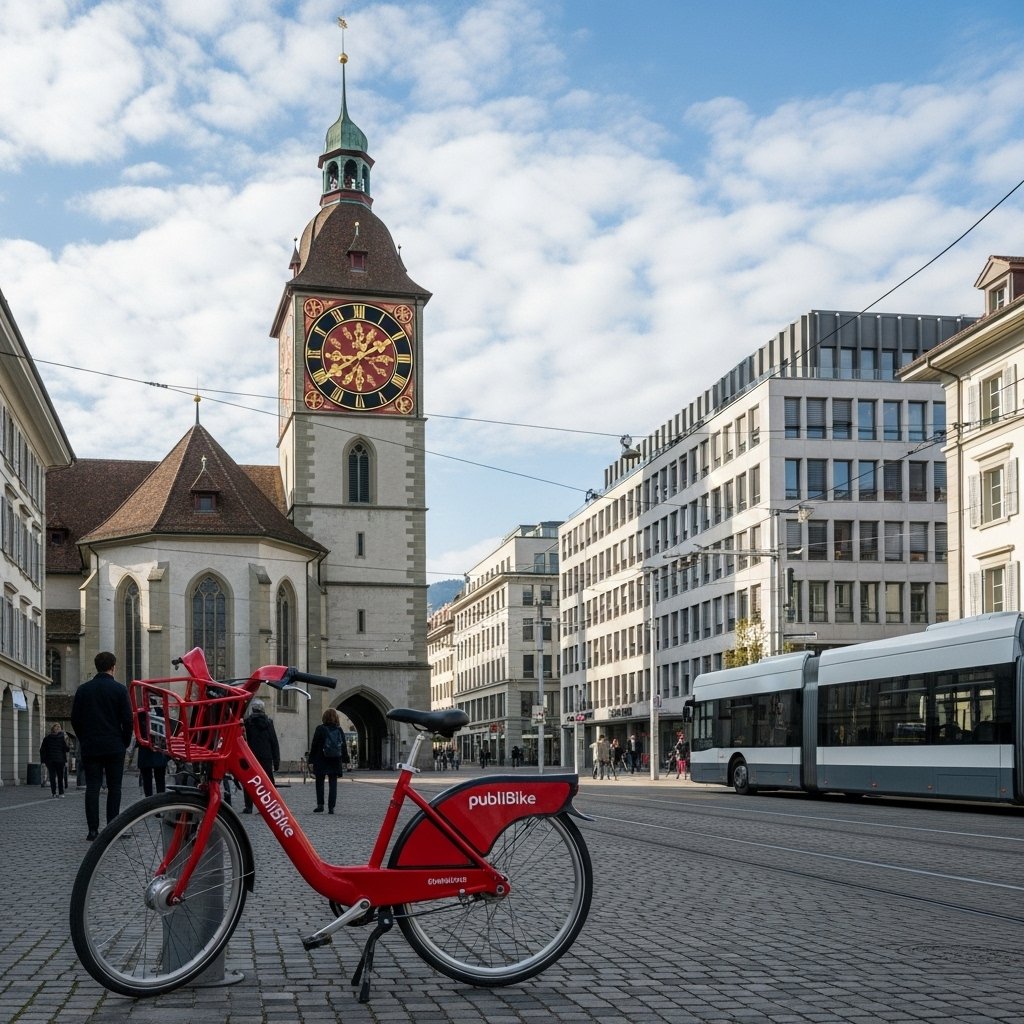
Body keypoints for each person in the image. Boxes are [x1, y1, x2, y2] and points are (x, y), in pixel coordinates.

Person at [71, 651, 133, 841]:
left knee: (93, 787)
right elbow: (128, 720)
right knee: (115, 788)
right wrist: (124, 742)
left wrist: (84, 737)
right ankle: (112, 829)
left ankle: (92, 830)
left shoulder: (83, 690)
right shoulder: (120, 690)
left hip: (91, 746)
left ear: (96, 666)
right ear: (113, 666)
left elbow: (75, 719)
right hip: (114, 745)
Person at [242, 699, 280, 814]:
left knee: (249, 780)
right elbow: (274, 742)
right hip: (266, 756)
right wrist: (276, 760)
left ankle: (249, 806)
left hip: (251, 755)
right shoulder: (268, 723)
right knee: (267, 782)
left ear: (252, 709)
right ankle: (268, 806)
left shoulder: (247, 723)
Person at [308, 707, 349, 814]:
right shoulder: (339, 729)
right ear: (336, 718)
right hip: (335, 759)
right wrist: (345, 760)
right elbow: (343, 746)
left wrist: (311, 760)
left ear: (324, 717)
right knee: (333, 783)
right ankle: (331, 808)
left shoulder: (320, 729)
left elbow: (314, 745)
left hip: (321, 758)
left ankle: (320, 805)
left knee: (320, 782)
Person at [39, 723, 69, 797]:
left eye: (58, 728)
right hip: (56, 760)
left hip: (54, 761)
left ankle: (56, 793)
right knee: (57, 777)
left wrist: (43, 761)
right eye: (57, 728)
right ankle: (58, 793)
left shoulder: (48, 738)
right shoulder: (59, 738)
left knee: (55, 777)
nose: (57, 729)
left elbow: (42, 750)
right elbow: (67, 749)